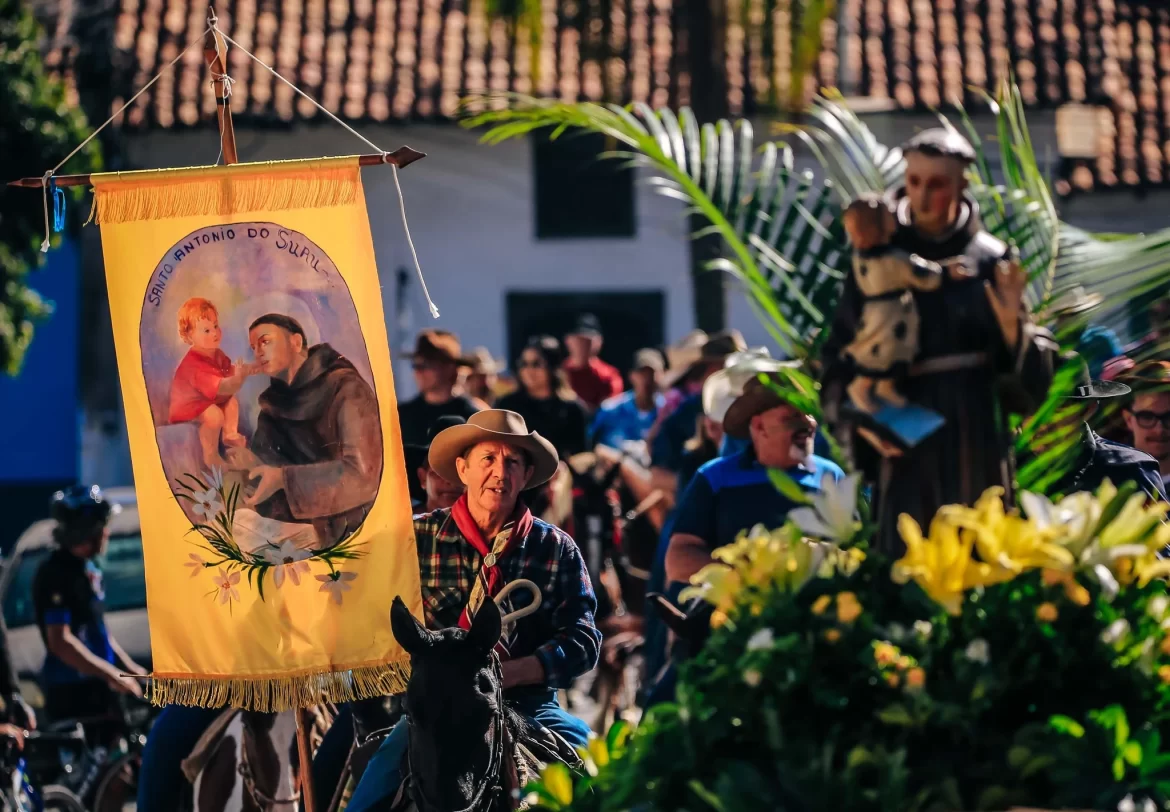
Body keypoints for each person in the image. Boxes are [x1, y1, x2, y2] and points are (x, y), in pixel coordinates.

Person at [346, 410, 600, 811]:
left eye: (512, 462)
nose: (499, 472)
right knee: (372, 787)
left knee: (601, 779)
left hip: (529, 704)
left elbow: (583, 640)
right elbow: (371, 615)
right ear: (462, 469)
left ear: (526, 474)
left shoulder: (555, 548)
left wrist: (518, 670)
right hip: (433, 710)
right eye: (488, 459)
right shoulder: (414, 539)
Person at [820, 128, 1056, 553]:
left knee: (979, 553)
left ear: (963, 185)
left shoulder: (991, 259)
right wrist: (863, 423)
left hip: (976, 431)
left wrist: (1010, 327)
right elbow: (838, 357)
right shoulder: (878, 257)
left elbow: (1028, 388)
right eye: (914, 182)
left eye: (937, 184)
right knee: (908, 559)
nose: (923, 197)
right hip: (905, 430)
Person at [665, 357, 845, 586]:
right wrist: (748, 577)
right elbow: (678, 560)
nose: (808, 425)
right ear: (759, 427)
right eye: (792, 417)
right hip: (734, 616)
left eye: (809, 414)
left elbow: (861, 548)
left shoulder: (833, 477)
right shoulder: (714, 478)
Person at [225, 313, 383, 549]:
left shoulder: (346, 388)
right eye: (253, 347)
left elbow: (362, 475)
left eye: (265, 341)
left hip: (346, 530)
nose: (257, 352)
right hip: (287, 528)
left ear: (296, 342)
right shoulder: (273, 404)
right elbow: (270, 469)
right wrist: (252, 463)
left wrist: (282, 479)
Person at [33, 486, 146, 746]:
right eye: (102, 526)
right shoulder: (54, 573)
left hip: (99, 690)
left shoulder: (89, 569)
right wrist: (112, 675)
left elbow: (98, 632)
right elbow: (60, 642)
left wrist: (130, 670)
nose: (107, 533)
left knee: (122, 768)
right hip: (72, 693)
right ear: (87, 531)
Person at [1042, 358, 1167, 503]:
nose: (1042, 423)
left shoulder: (1129, 470)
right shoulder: (1013, 471)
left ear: (1088, 409)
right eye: (1032, 408)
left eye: (1058, 409)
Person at [167, 297, 256, 469]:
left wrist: (245, 369)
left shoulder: (216, 354)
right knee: (214, 415)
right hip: (189, 406)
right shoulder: (195, 366)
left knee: (231, 401)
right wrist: (238, 378)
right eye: (206, 331)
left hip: (206, 399)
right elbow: (226, 385)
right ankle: (211, 455)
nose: (215, 333)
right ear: (189, 336)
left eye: (215, 326)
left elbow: (227, 371)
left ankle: (230, 433)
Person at [497, 335, 590, 459]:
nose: (529, 370)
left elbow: (580, 455)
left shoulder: (572, 409)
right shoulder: (506, 406)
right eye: (524, 364)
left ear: (553, 368)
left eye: (536, 364)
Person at [396, 330, 484, 445]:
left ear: (449, 368)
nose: (418, 372)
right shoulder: (401, 415)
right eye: (415, 365)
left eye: (426, 365)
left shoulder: (473, 418)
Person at [589, 348, 666, 450]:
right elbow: (591, 442)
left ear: (663, 375)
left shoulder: (669, 411)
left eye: (652, 373)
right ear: (631, 375)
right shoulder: (610, 409)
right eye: (642, 373)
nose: (647, 379)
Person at [1120, 360, 1170, 491]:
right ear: (1128, 419)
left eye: (1169, 417)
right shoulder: (1113, 485)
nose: (1159, 430)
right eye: (1147, 417)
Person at [403, 415, 468, 512]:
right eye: (440, 472)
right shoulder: (402, 525)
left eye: (459, 471)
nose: (450, 481)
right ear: (423, 478)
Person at [562, 314, 624, 410]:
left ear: (599, 342)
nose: (582, 345)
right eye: (579, 340)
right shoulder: (559, 371)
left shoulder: (609, 375)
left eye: (588, 341)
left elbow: (611, 411)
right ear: (568, 341)